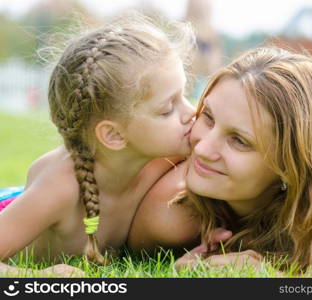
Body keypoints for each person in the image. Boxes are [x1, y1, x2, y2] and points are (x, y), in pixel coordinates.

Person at [128, 47, 312, 277]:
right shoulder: (172, 211)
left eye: (239, 141)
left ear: (290, 166)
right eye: (208, 117)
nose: (202, 147)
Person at [0, 15, 196, 277]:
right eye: (168, 109)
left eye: (184, 95)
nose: (190, 112)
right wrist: (37, 275)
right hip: (13, 206)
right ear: (114, 135)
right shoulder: (60, 187)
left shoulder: (161, 158)